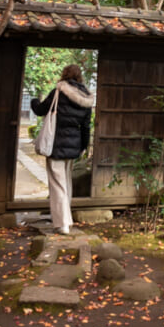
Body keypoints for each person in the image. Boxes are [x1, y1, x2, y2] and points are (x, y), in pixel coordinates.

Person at [31, 64, 94, 235]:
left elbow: (40, 109)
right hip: (73, 147)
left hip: (56, 145)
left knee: (57, 184)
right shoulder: (87, 98)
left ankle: (63, 223)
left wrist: (34, 101)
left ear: (64, 75)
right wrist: (83, 146)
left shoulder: (58, 92)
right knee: (66, 182)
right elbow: (86, 126)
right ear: (80, 77)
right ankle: (65, 219)